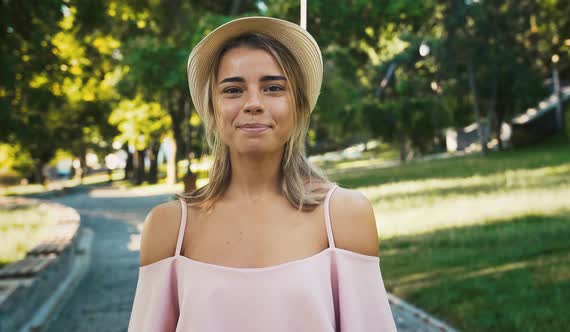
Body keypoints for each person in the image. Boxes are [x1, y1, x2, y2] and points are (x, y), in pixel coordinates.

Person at [128, 16, 398, 332]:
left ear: (298, 106)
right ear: (212, 109)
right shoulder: (169, 228)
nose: (253, 103)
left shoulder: (343, 217)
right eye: (233, 90)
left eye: (273, 88)